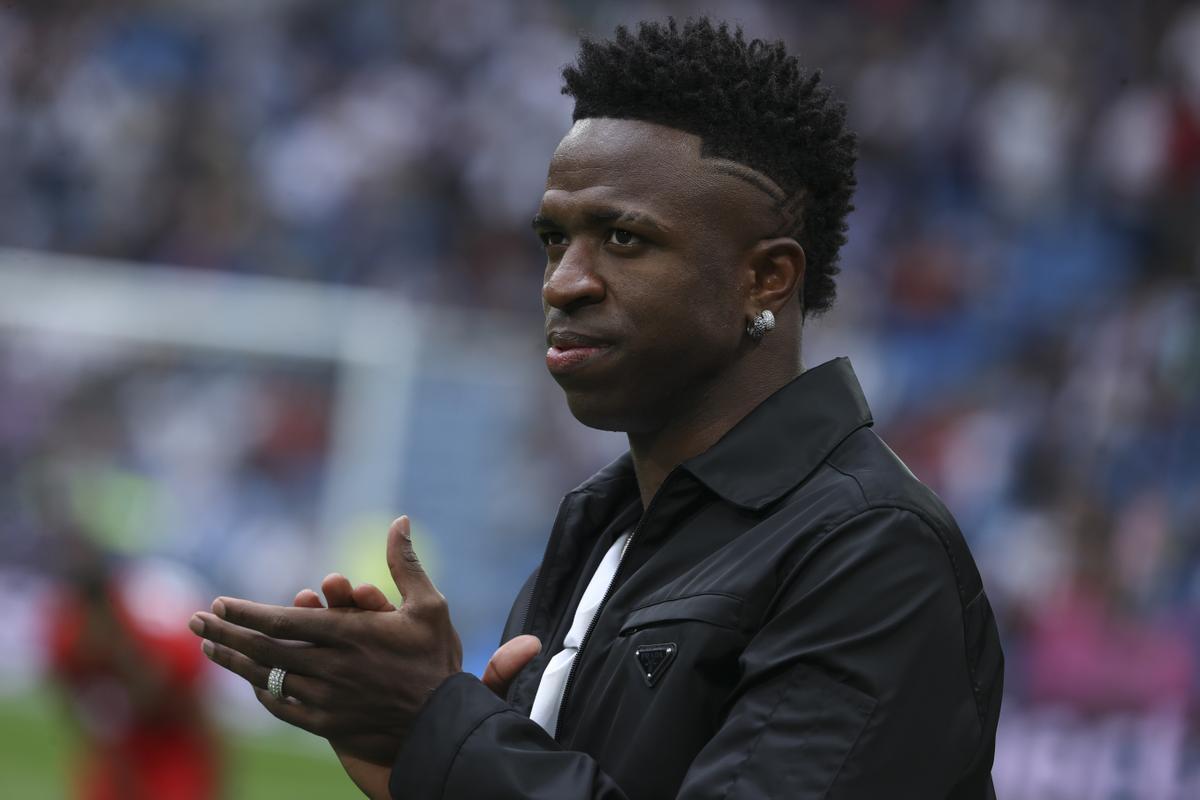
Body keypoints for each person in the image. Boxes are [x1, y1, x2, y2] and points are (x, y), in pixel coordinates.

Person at [189, 18, 1003, 799]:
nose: (562, 282)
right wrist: (421, 763)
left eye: (623, 239)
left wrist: (445, 730)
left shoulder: (871, 550)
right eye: (554, 239)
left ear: (766, 279)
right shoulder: (603, 530)